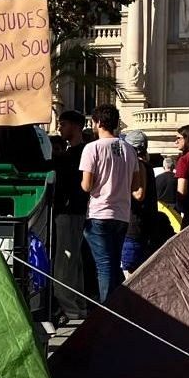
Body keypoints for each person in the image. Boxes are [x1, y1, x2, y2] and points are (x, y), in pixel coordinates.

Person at [80, 104, 143, 302]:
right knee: (114, 264)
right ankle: (116, 308)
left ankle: (106, 310)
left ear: (97, 123)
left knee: (104, 265)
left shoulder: (92, 148)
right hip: (122, 214)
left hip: (100, 212)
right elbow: (136, 186)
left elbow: (87, 185)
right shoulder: (130, 150)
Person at [51, 111, 93, 319]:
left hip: (69, 210)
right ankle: (78, 304)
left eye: (64, 124)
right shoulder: (79, 151)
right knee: (73, 260)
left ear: (76, 126)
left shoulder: (79, 153)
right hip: (75, 210)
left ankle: (70, 306)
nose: (59, 127)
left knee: (65, 261)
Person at [118, 131, 167, 277]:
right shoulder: (147, 166)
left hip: (134, 229)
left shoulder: (139, 165)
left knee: (130, 276)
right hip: (143, 230)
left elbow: (139, 194)